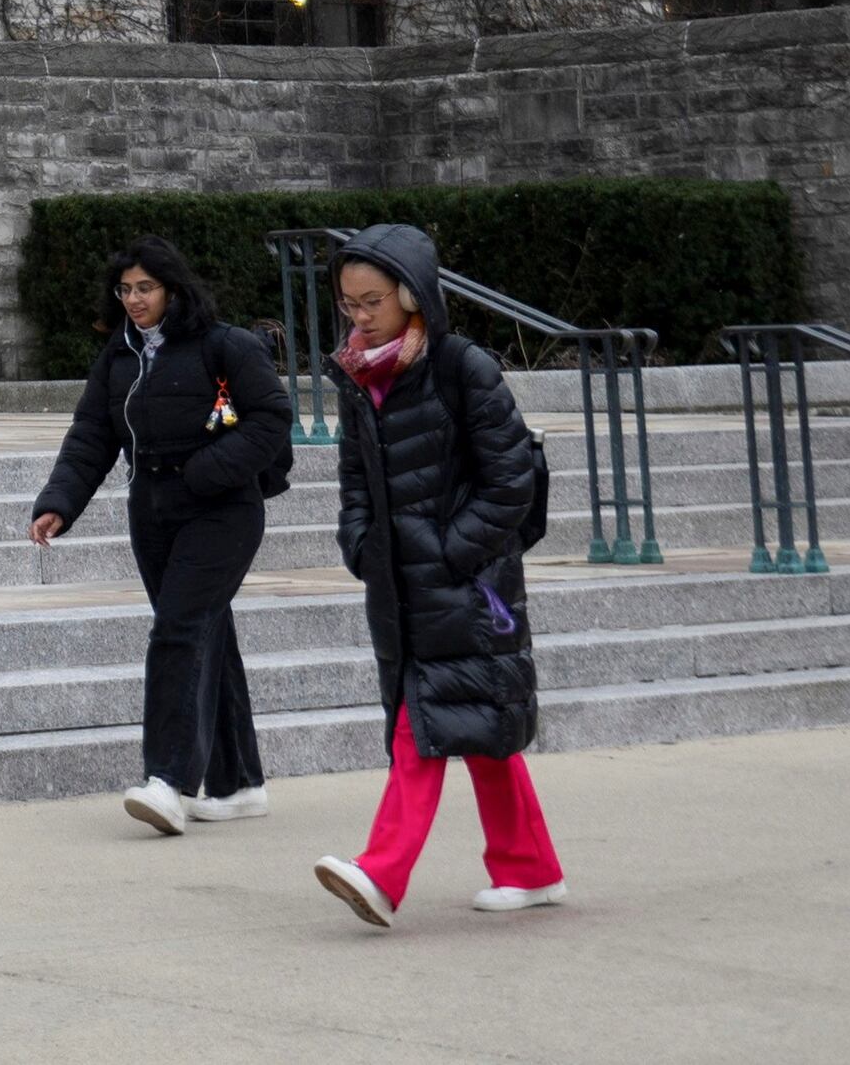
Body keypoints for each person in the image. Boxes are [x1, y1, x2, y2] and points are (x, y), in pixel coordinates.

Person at [310, 222, 568, 927]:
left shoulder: (462, 367)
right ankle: (531, 869)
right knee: (477, 725)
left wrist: (453, 552)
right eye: (349, 304)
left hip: (467, 584)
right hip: (398, 584)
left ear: (412, 296)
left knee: (419, 723)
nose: (359, 317)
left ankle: (381, 871)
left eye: (372, 302)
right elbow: (354, 480)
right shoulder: (359, 376)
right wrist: (361, 545)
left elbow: (511, 481)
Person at [30, 233, 295, 833]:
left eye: (145, 288)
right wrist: (59, 503)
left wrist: (206, 473)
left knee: (177, 630)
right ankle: (239, 783)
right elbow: (91, 435)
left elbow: (271, 417)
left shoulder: (225, 345)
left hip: (222, 511)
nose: (133, 299)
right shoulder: (119, 356)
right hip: (151, 512)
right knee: (205, 633)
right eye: (124, 289)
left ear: (173, 289)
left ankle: (168, 781)